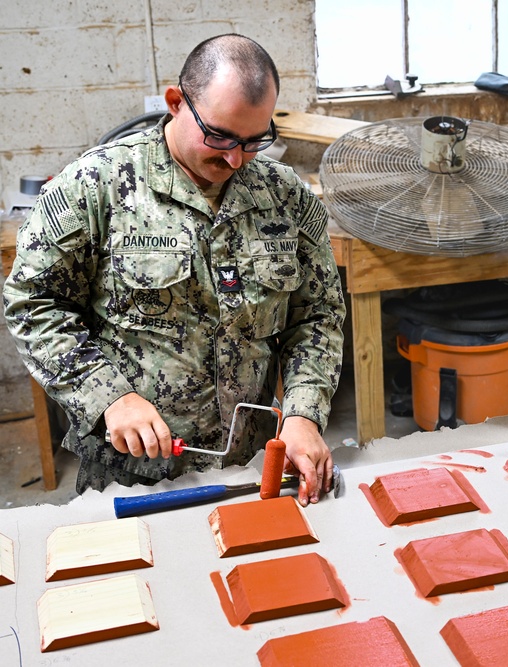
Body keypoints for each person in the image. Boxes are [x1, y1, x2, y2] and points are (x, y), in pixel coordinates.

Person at [3, 34, 345, 506]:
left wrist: (304, 415)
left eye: (253, 141)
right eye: (220, 136)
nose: (234, 158)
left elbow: (317, 317)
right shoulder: (97, 186)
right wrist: (109, 397)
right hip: (132, 473)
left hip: (250, 465)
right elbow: (33, 305)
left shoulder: (284, 197)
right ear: (176, 102)